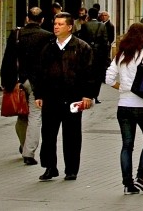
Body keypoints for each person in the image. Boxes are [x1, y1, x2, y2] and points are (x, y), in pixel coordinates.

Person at [34, 12, 96, 181]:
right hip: (51, 97)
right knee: (48, 134)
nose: (56, 27)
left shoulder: (82, 47)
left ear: (70, 27)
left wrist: (88, 95)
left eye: (60, 24)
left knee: (72, 135)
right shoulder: (48, 47)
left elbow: (90, 73)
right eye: (55, 23)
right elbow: (40, 72)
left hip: (73, 98)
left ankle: (71, 169)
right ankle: (50, 167)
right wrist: (38, 94)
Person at [105, 23, 143, 194]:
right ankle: (141, 177)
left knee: (127, 145)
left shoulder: (120, 55)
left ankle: (128, 184)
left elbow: (109, 78)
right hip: (142, 106)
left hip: (123, 105)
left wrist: (122, 87)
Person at [0, 7, 52, 166]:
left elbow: (8, 58)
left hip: (18, 81)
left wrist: (7, 82)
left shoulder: (16, 34)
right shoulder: (48, 36)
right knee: (35, 116)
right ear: (42, 20)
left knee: (22, 116)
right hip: (37, 82)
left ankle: (24, 145)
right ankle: (28, 152)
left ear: (27, 18)